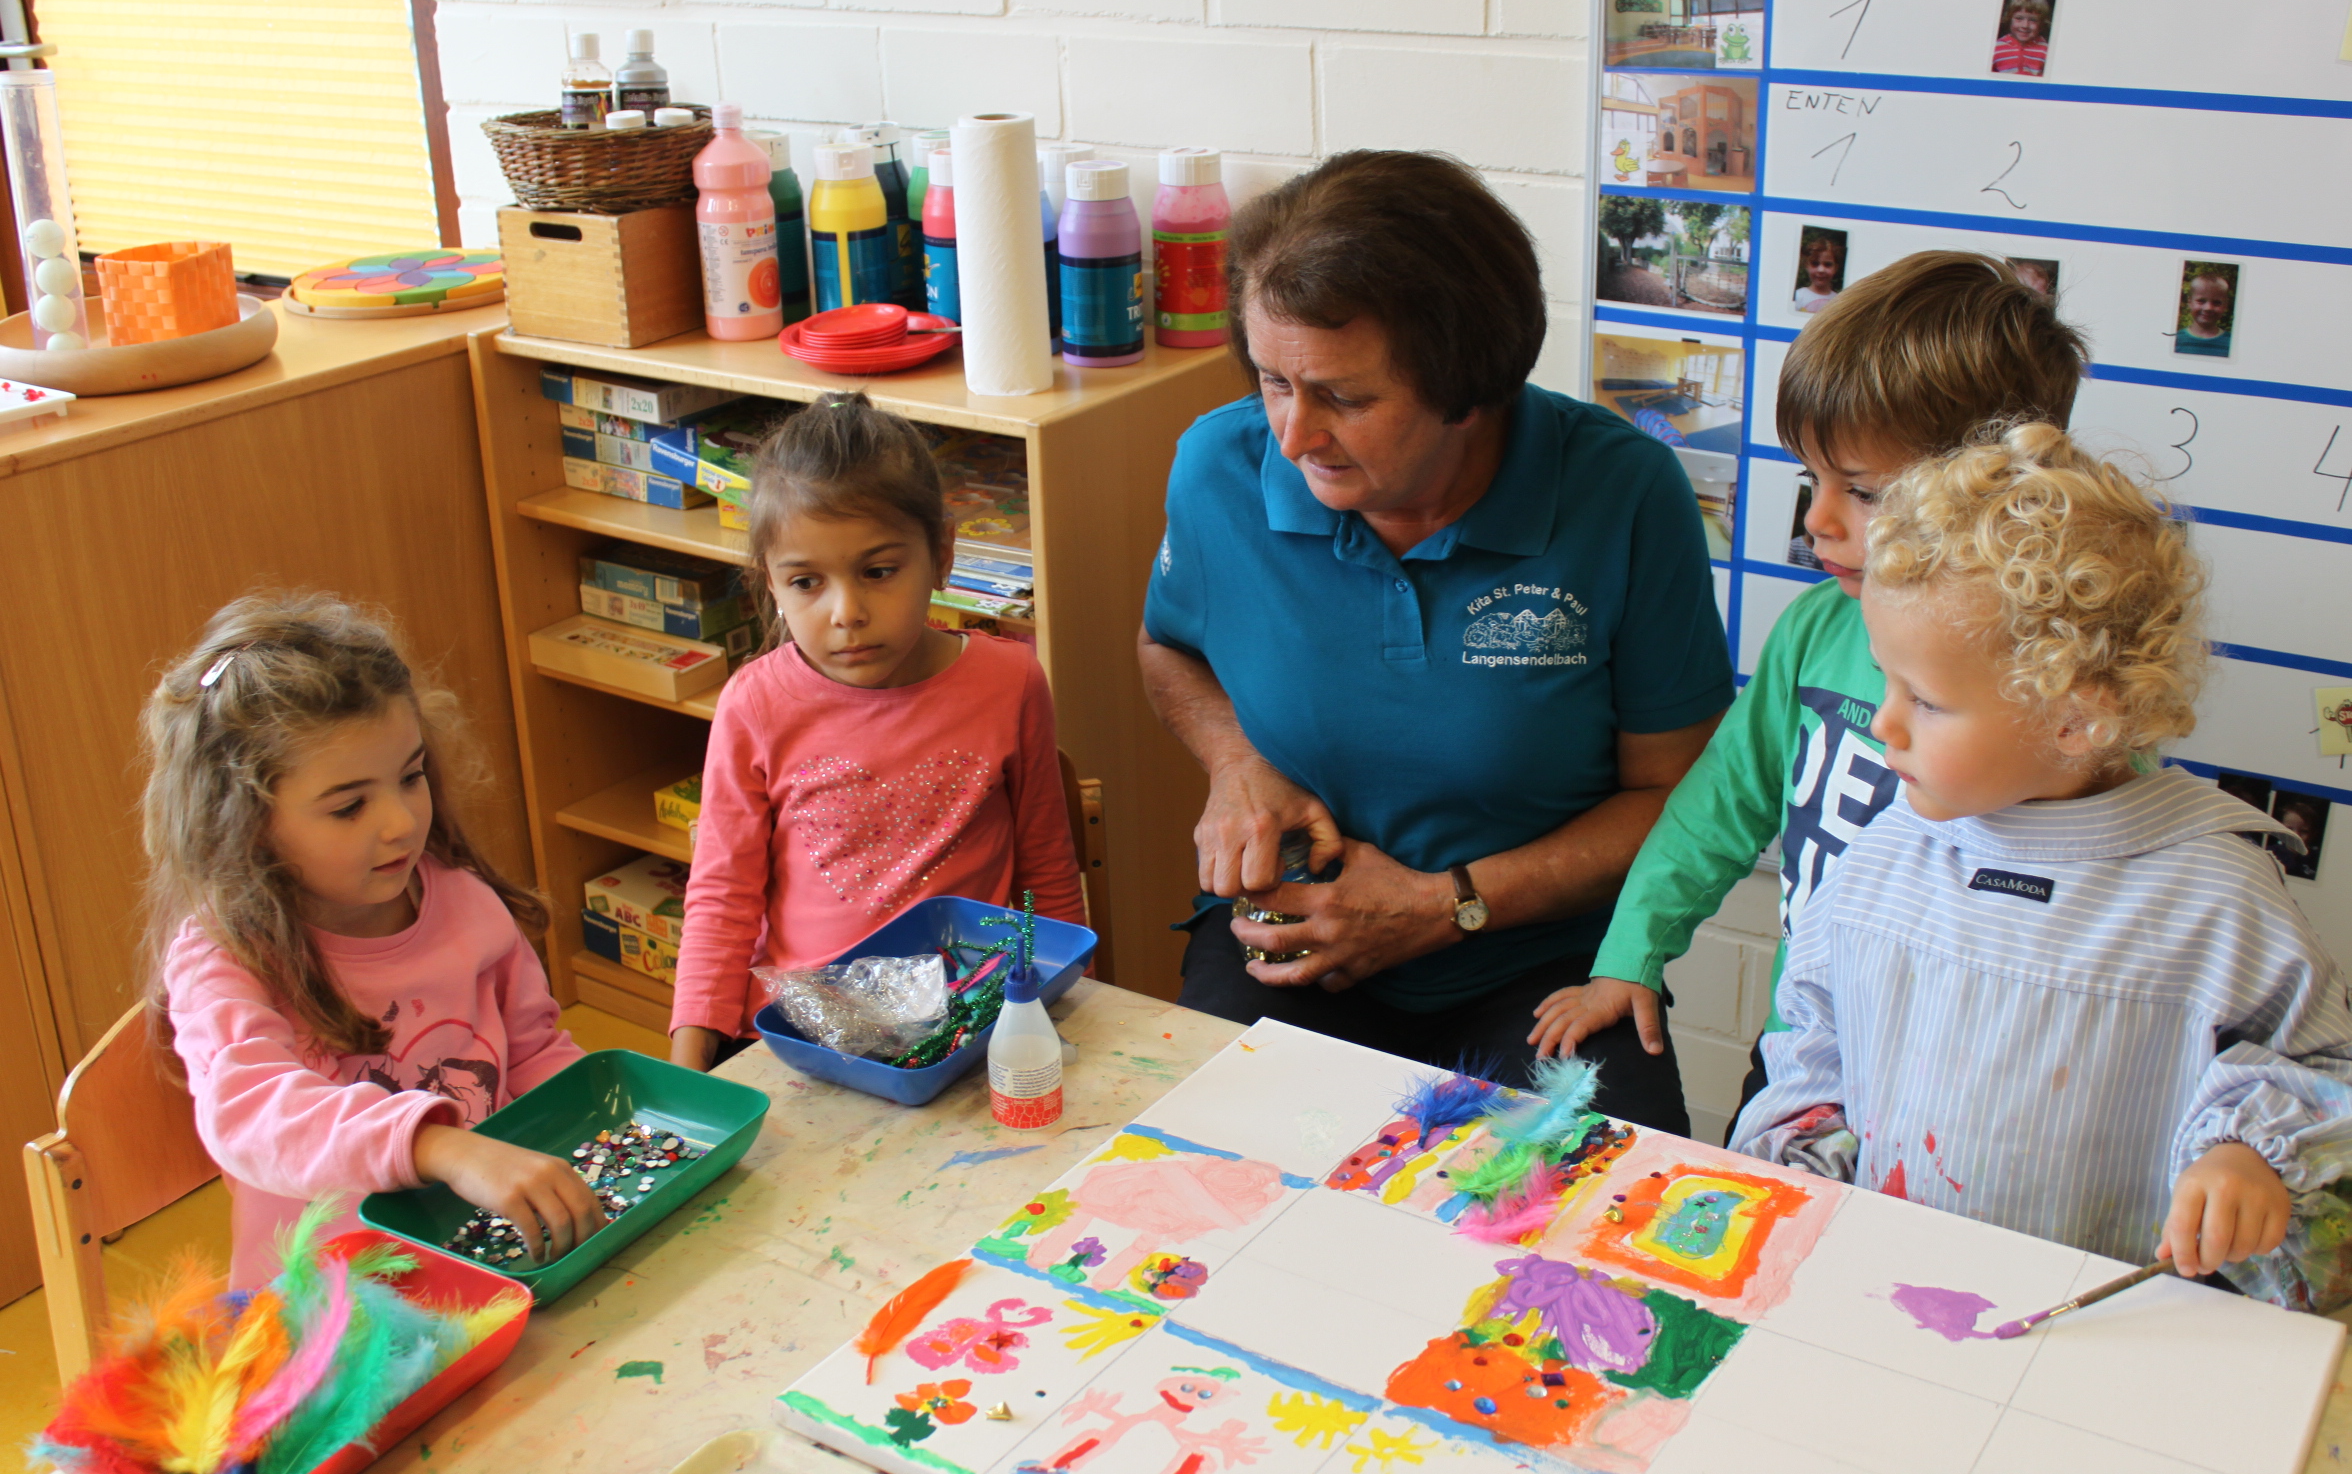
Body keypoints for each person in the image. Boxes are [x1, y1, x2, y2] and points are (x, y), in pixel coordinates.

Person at [1139, 150, 1733, 1123]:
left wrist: (1444, 901)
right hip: (1290, 936)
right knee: (1205, 1208)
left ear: (1469, 383)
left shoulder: (1624, 497)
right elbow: (1169, 647)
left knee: (1597, 1245)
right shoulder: (1220, 464)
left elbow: (1678, 797)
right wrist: (1234, 755)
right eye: (1272, 381)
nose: (1292, 436)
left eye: (1344, 396)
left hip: (1542, 971)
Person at [1731, 425, 2352, 1308]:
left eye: (1928, 701)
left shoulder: (2216, 893)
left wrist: (2247, 1153)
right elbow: (1815, 1039)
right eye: (1887, 682)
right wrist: (1804, 1150)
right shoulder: (1887, 850)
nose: (1883, 725)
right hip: (1886, 1294)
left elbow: (2321, 1072)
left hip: (2111, 1322)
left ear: (2074, 721)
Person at [1534, 252, 2089, 1120]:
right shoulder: (1814, 630)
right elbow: (1715, 810)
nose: (1818, 521)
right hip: (1806, 1049)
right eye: (1813, 480)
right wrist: (1630, 954)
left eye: (1861, 492)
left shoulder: (2065, 681)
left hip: (1985, 1082)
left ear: (2002, 494)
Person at [150, 593, 600, 1287]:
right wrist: (439, 1146)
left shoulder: (461, 900)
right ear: (246, 822)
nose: (400, 823)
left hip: (491, 1265)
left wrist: (594, 1149)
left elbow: (537, 1055)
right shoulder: (224, 955)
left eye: (411, 776)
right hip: (334, 1314)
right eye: (350, 806)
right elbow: (247, 1110)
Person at [671, 392, 1084, 1070]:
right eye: (806, 582)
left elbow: (1046, 871)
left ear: (941, 555)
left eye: (879, 571)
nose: (848, 612)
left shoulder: (1011, 683)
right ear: (770, 585)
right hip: (804, 1039)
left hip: (971, 1028)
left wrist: (1070, 1006)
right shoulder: (753, 706)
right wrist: (689, 1072)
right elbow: (722, 900)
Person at [2176, 268, 2235, 357]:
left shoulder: (2232, 343)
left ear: (2225, 306)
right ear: (2190, 302)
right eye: (2201, 301)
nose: (2208, 308)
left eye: (2216, 302)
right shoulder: (2176, 340)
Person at [1992, 0, 2051, 75]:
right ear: (2009, 18)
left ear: (2041, 23)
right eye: (2019, 18)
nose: (2025, 25)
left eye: (2033, 20)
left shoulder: (2046, 50)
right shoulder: (1996, 48)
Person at [1791, 231, 1843, 314]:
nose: (1821, 270)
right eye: (1815, 263)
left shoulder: (1839, 301)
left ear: (1836, 268)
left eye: (1827, 264)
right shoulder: (1798, 296)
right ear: (1806, 265)